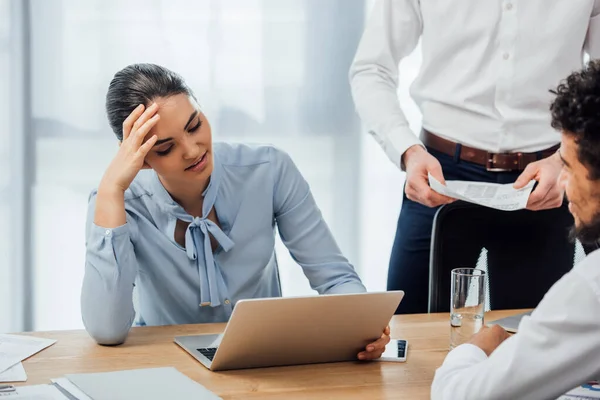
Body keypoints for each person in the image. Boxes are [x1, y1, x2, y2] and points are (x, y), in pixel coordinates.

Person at [81, 63, 390, 360]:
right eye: (166, 148)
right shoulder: (119, 202)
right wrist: (109, 191)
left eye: (195, 126)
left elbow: (335, 279)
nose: (193, 150)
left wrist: (363, 325)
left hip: (263, 360)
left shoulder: (269, 170)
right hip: (164, 364)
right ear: (141, 158)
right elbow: (107, 330)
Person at [349, 0, 600, 313]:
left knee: (528, 341)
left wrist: (561, 160)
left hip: (545, 181)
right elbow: (371, 68)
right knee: (407, 336)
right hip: (439, 176)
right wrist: (407, 151)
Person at [431, 60, 600, 400]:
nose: (562, 184)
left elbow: (458, 396)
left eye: (566, 166)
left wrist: (477, 348)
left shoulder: (592, 290)